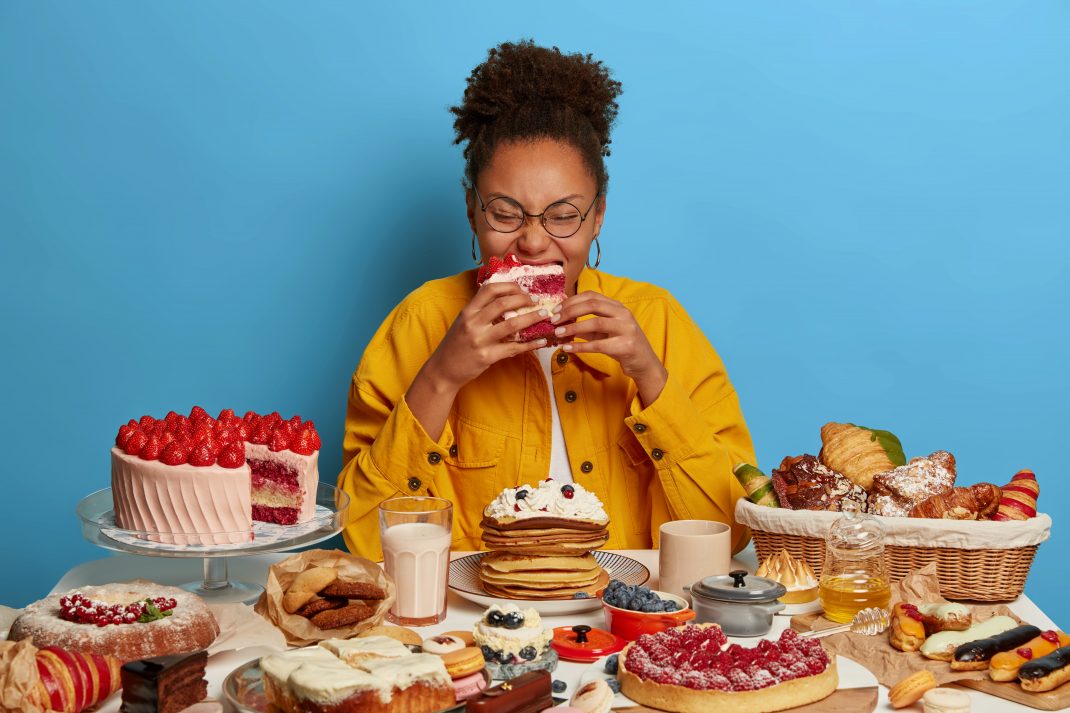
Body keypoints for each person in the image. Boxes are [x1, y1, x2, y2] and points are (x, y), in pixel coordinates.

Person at [339, 40, 755, 560]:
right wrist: (441, 376)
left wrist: (650, 377)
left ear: (598, 215)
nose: (534, 242)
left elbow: (729, 535)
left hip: (626, 623)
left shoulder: (657, 320)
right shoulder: (421, 321)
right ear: (472, 211)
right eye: (506, 213)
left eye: (562, 215)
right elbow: (364, 540)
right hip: (473, 626)